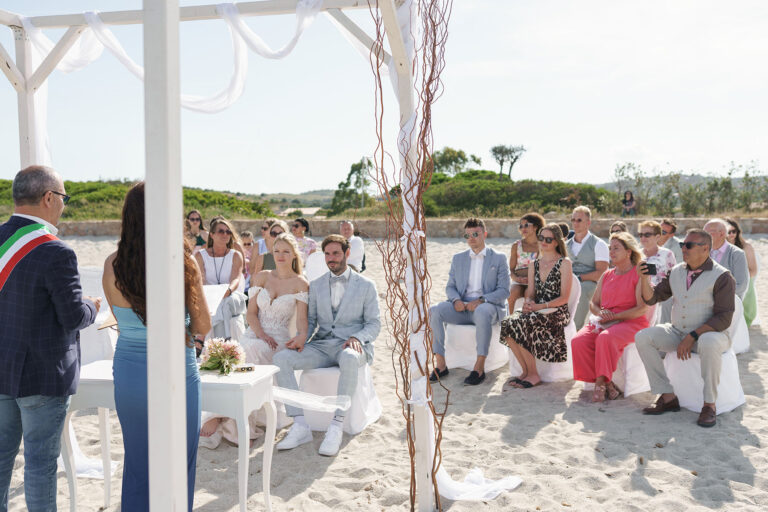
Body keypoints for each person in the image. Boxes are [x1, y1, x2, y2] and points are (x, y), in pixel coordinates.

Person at [102, 182, 210, 511]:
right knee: (179, 464)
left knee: (137, 463)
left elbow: (122, 321)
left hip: (130, 373)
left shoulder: (112, 264)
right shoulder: (182, 262)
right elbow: (203, 324)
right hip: (176, 372)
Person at [0, 166, 100, 512]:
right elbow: (73, 316)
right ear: (48, 198)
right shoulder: (57, 252)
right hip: (43, 375)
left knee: (0, 463)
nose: (63, 206)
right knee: (40, 467)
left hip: (2, 369)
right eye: (63, 199)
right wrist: (92, 305)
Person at [273, 234, 380, 456]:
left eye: (336, 253)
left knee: (350, 357)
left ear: (347, 254)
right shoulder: (317, 285)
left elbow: (374, 324)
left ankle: (336, 425)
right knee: (281, 358)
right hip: (322, 345)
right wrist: (302, 336)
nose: (332, 259)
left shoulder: (367, 285)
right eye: (328, 254)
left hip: (352, 346)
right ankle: (300, 424)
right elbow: (311, 321)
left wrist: (358, 338)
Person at [200, 233, 308, 449]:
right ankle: (232, 423)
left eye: (286, 251)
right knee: (241, 353)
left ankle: (221, 417)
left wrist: (301, 337)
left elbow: (302, 321)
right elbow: (250, 314)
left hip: (278, 341)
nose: (280, 255)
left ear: (294, 255)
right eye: (276, 251)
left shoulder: (300, 283)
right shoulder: (262, 276)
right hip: (255, 334)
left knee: (248, 354)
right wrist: (260, 334)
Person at [635, 229, 736, 428]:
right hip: (677, 332)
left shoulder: (722, 276)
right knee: (643, 337)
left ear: (705, 249)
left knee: (707, 341)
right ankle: (668, 396)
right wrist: (643, 278)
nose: (684, 249)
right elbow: (652, 298)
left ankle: (709, 405)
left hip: (712, 334)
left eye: (689, 245)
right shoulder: (677, 271)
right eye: (683, 245)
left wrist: (693, 335)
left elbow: (724, 318)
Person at [429, 218, 511, 385]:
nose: (471, 238)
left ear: (484, 234)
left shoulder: (499, 258)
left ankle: (479, 367)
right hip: (462, 307)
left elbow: (504, 291)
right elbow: (450, 287)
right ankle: (441, 364)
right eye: (467, 235)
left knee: (482, 311)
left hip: (488, 308)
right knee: (434, 310)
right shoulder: (458, 258)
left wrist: (482, 300)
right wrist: (455, 300)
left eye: (475, 234)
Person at [571, 232, 649, 402]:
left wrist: (615, 316)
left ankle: (601, 382)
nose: (611, 252)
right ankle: (609, 384)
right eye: (610, 248)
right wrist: (600, 313)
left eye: (616, 248)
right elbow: (594, 303)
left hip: (631, 322)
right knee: (578, 341)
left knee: (605, 339)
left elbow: (641, 308)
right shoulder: (607, 274)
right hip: (605, 320)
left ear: (629, 252)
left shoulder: (638, 273)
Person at [500, 224, 572, 389]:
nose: (543, 242)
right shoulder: (534, 264)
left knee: (525, 323)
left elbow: (564, 298)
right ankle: (525, 371)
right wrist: (528, 304)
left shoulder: (564, 263)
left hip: (557, 310)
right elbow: (531, 292)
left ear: (556, 242)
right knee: (508, 323)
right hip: (538, 309)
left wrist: (540, 306)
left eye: (548, 239)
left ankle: (534, 374)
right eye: (541, 238)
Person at [195, 217, 246, 339]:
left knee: (225, 302)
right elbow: (202, 280)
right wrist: (214, 294)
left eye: (228, 232)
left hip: (232, 294)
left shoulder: (235, 255)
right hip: (209, 294)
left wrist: (227, 291)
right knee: (215, 303)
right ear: (211, 235)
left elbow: (235, 279)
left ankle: (202, 339)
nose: (225, 234)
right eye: (221, 231)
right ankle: (223, 341)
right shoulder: (200, 255)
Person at [566, 206, 609, 330]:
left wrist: (578, 278)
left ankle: (575, 328)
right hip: (568, 281)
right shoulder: (565, 245)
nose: (575, 223)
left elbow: (601, 273)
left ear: (588, 223)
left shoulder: (599, 244)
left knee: (582, 290)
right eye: (573, 220)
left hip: (590, 284)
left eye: (579, 220)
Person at [507, 213, 545, 312]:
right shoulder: (516, 245)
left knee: (529, 295)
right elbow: (511, 269)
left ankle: (525, 322)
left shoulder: (543, 245)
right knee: (511, 294)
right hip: (518, 281)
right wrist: (516, 278)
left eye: (526, 225)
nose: (523, 228)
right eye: (521, 226)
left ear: (536, 227)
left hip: (536, 281)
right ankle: (510, 322)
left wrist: (533, 279)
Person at [703, 219, 749, 299]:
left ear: (722, 234)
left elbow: (741, 286)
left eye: (708, 233)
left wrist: (715, 296)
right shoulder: (702, 252)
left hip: (728, 305)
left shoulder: (737, 254)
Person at [725, 218, 759, 325]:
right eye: (728, 231)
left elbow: (753, 270)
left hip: (744, 280)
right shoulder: (718, 248)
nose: (731, 234)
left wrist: (738, 279)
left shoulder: (746, 247)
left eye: (733, 231)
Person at [658, 218, 684, 323]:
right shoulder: (651, 242)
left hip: (670, 286)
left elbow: (679, 270)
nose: (659, 234)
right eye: (658, 230)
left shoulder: (678, 246)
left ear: (671, 235)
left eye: (663, 232)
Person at [637, 221, 676, 286]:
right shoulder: (636, 254)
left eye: (647, 235)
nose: (643, 238)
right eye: (641, 235)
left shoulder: (667, 254)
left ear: (657, 237)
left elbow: (674, 278)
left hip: (661, 295)